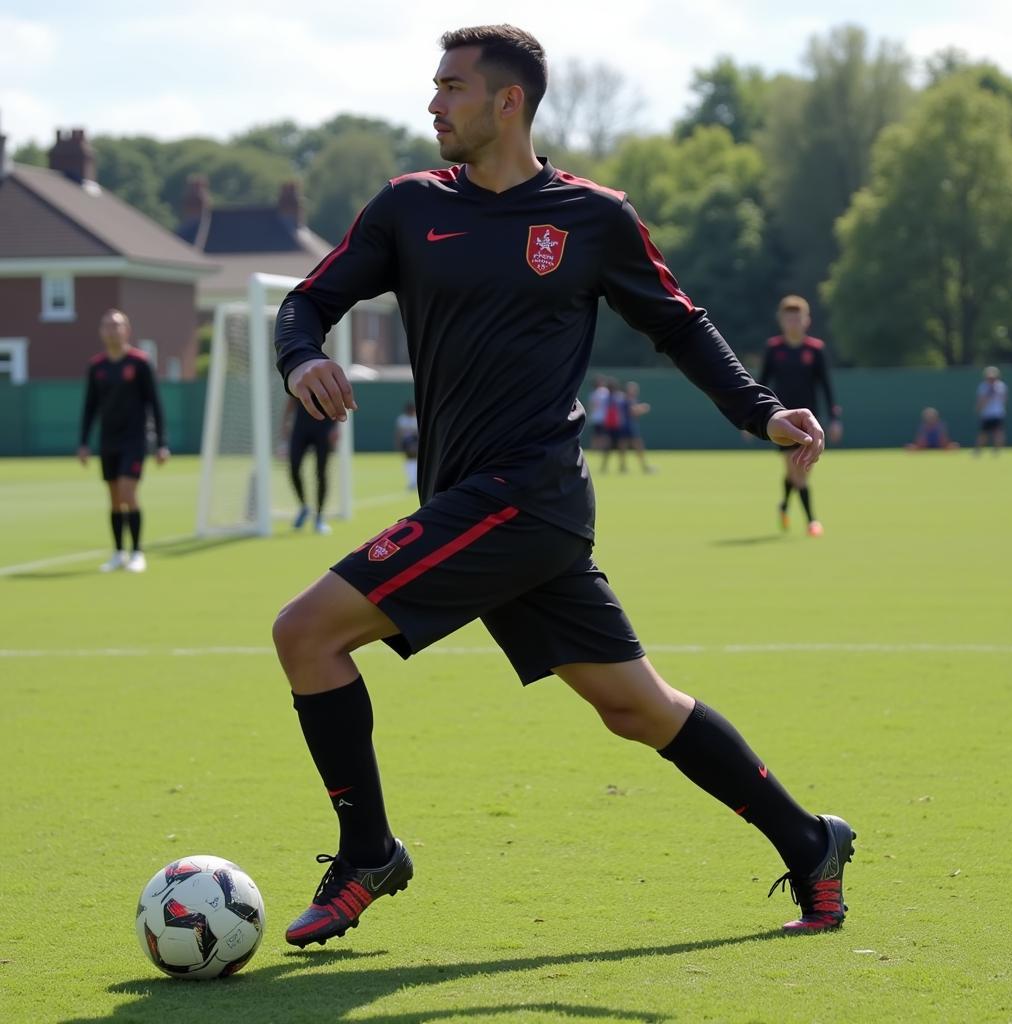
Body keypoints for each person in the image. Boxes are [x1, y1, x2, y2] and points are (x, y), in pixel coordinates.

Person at [272, 24, 854, 950]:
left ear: (510, 102)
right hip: (473, 504)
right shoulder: (408, 208)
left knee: (304, 632)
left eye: (452, 88)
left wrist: (759, 410)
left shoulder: (592, 217)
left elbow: (680, 324)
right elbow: (309, 298)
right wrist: (301, 354)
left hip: (528, 492)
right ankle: (811, 839)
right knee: (637, 707)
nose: (433, 103)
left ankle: (368, 852)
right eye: (433, 86)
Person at [78, 309, 168, 572]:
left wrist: (162, 443)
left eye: (117, 325)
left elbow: (155, 404)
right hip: (109, 441)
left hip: (135, 440)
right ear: (101, 332)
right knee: (115, 497)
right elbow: (89, 406)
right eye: (107, 325)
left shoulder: (140, 362)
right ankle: (118, 553)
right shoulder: (97, 366)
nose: (112, 330)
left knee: (129, 491)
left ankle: (137, 553)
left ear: (127, 330)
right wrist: (83, 442)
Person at [759, 296, 842, 537]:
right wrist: (749, 417)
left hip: (809, 423)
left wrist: (834, 419)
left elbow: (827, 387)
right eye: (789, 318)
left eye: (798, 318)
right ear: (781, 321)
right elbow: (761, 384)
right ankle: (812, 521)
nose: (793, 323)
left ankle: (784, 505)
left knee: (799, 472)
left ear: (806, 321)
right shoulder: (774, 349)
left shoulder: (815, 350)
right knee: (796, 471)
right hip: (781, 421)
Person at [282, 396, 338, 534]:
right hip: (301, 427)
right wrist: (284, 425)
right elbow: (290, 401)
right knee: (293, 467)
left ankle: (319, 516)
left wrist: (336, 427)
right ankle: (304, 506)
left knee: (321, 472)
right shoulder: (299, 375)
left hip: (324, 426)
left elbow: (337, 400)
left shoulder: (328, 376)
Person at [974, 366, 1008, 455]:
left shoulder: (1001, 386)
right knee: (983, 433)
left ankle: (997, 451)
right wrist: (979, 407)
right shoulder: (983, 386)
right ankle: (978, 450)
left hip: (997, 413)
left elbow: (1003, 399)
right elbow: (981, 400)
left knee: (998, 433)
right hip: (986, 414)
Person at [394, 402, 419, 490]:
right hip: (407, 443)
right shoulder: (402, 419)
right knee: (409, 462)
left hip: (415, 442)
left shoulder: (417, 418)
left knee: (416, 462)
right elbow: (399, 433)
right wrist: (399, 443)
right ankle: (412, 482)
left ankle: (415, 482)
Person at [587, 376, 611, 453]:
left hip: (598, 417)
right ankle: (601, 449)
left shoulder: (594, 393)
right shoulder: (606, 392)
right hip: (604, 417)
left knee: (597, 434)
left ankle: (596, 449)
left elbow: (592, 406)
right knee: (601, 434)